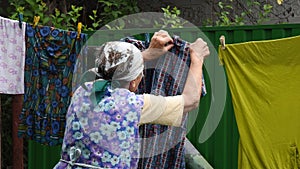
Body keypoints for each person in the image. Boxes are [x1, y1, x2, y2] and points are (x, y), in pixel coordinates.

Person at [53, 30, 210, 169]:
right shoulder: (134, 105)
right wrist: (197, 58)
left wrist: (147, 54)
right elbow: (190, 100)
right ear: (134, 82)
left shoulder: (84, 90)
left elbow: (109, 68)